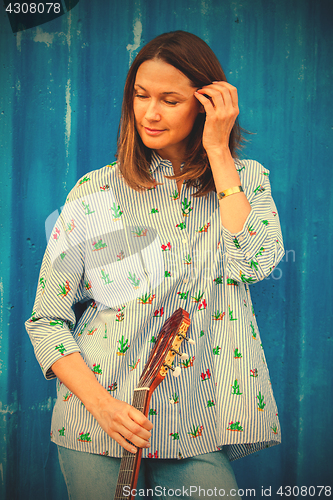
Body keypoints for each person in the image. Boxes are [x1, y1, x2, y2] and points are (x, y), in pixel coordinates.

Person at [26, 31, 285, 499]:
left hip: (196, 423)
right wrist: (103, 408)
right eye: (141, 95)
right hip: (99, 422)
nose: (150, 112)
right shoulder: (96, 192)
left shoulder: (244, 181)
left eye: (170, 99)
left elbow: (256, 261)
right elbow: (47, 321)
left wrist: (220, 152)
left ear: (205, 105)